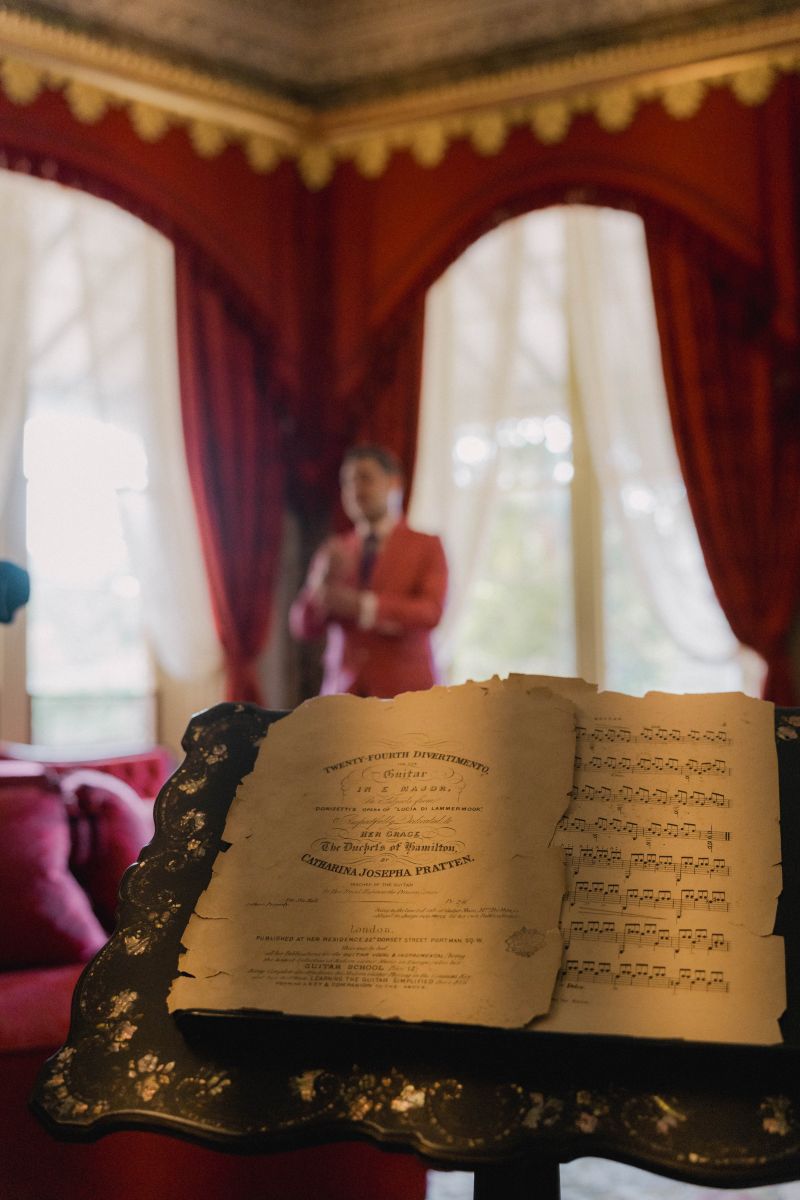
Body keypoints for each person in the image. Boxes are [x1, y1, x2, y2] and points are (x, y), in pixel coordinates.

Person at [290, 445, 447, 698]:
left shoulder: (426, 545)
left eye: (365, 478)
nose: (355, 490)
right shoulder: (335, 550)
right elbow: (303, 627)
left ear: (393, 483)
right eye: (347, 482)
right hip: (342, 698)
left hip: (406, 698)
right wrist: (319, 583)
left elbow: (431, 613)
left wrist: (363, 607)